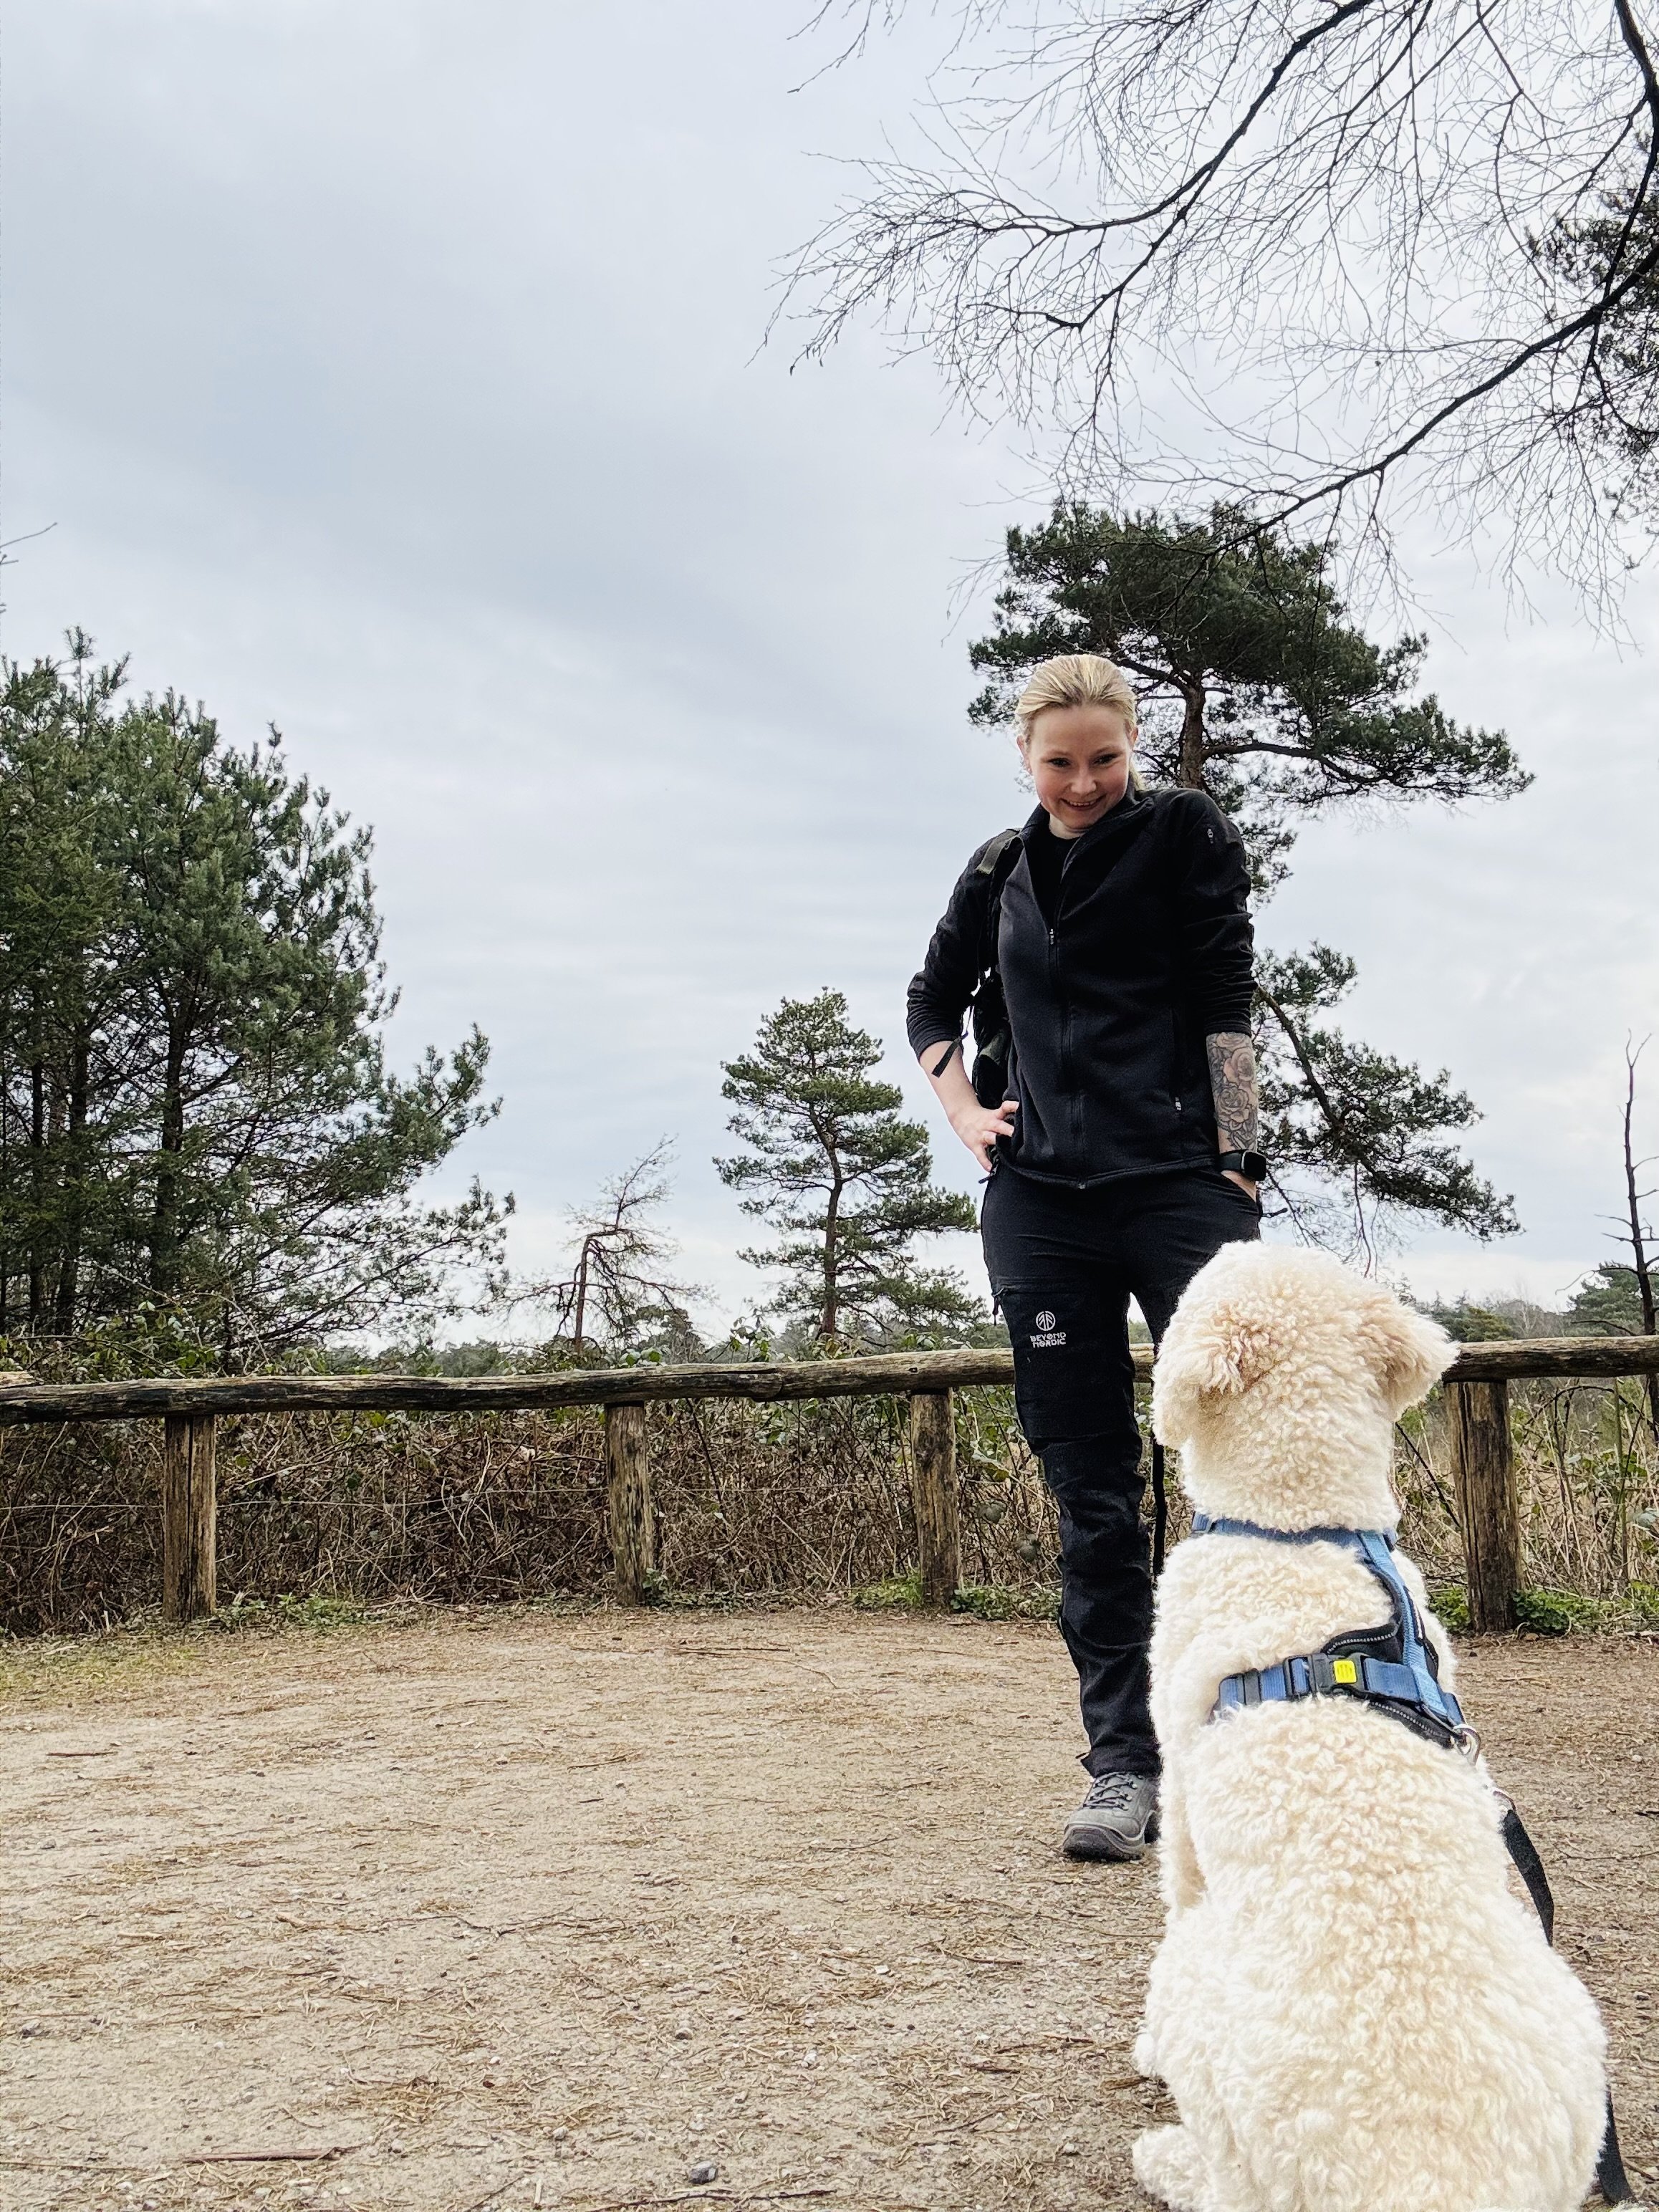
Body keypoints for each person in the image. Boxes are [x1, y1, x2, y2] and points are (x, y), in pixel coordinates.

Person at [907, 653, 1264, 1862]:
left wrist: (1241, 1158)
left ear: (1134, 746)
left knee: (1243, 1463)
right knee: (1095, 1495)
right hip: (1044, 1202)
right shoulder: (998, 869)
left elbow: (1226, 993)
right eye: (1059, 761)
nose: (1084, 781)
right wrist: (968, 1116)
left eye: (1104, 757)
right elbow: (928, 1004)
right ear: (1024, 757)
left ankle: (1262, 1740)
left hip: (1176, 1187)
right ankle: (1124, 1764)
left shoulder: (1182, 834)